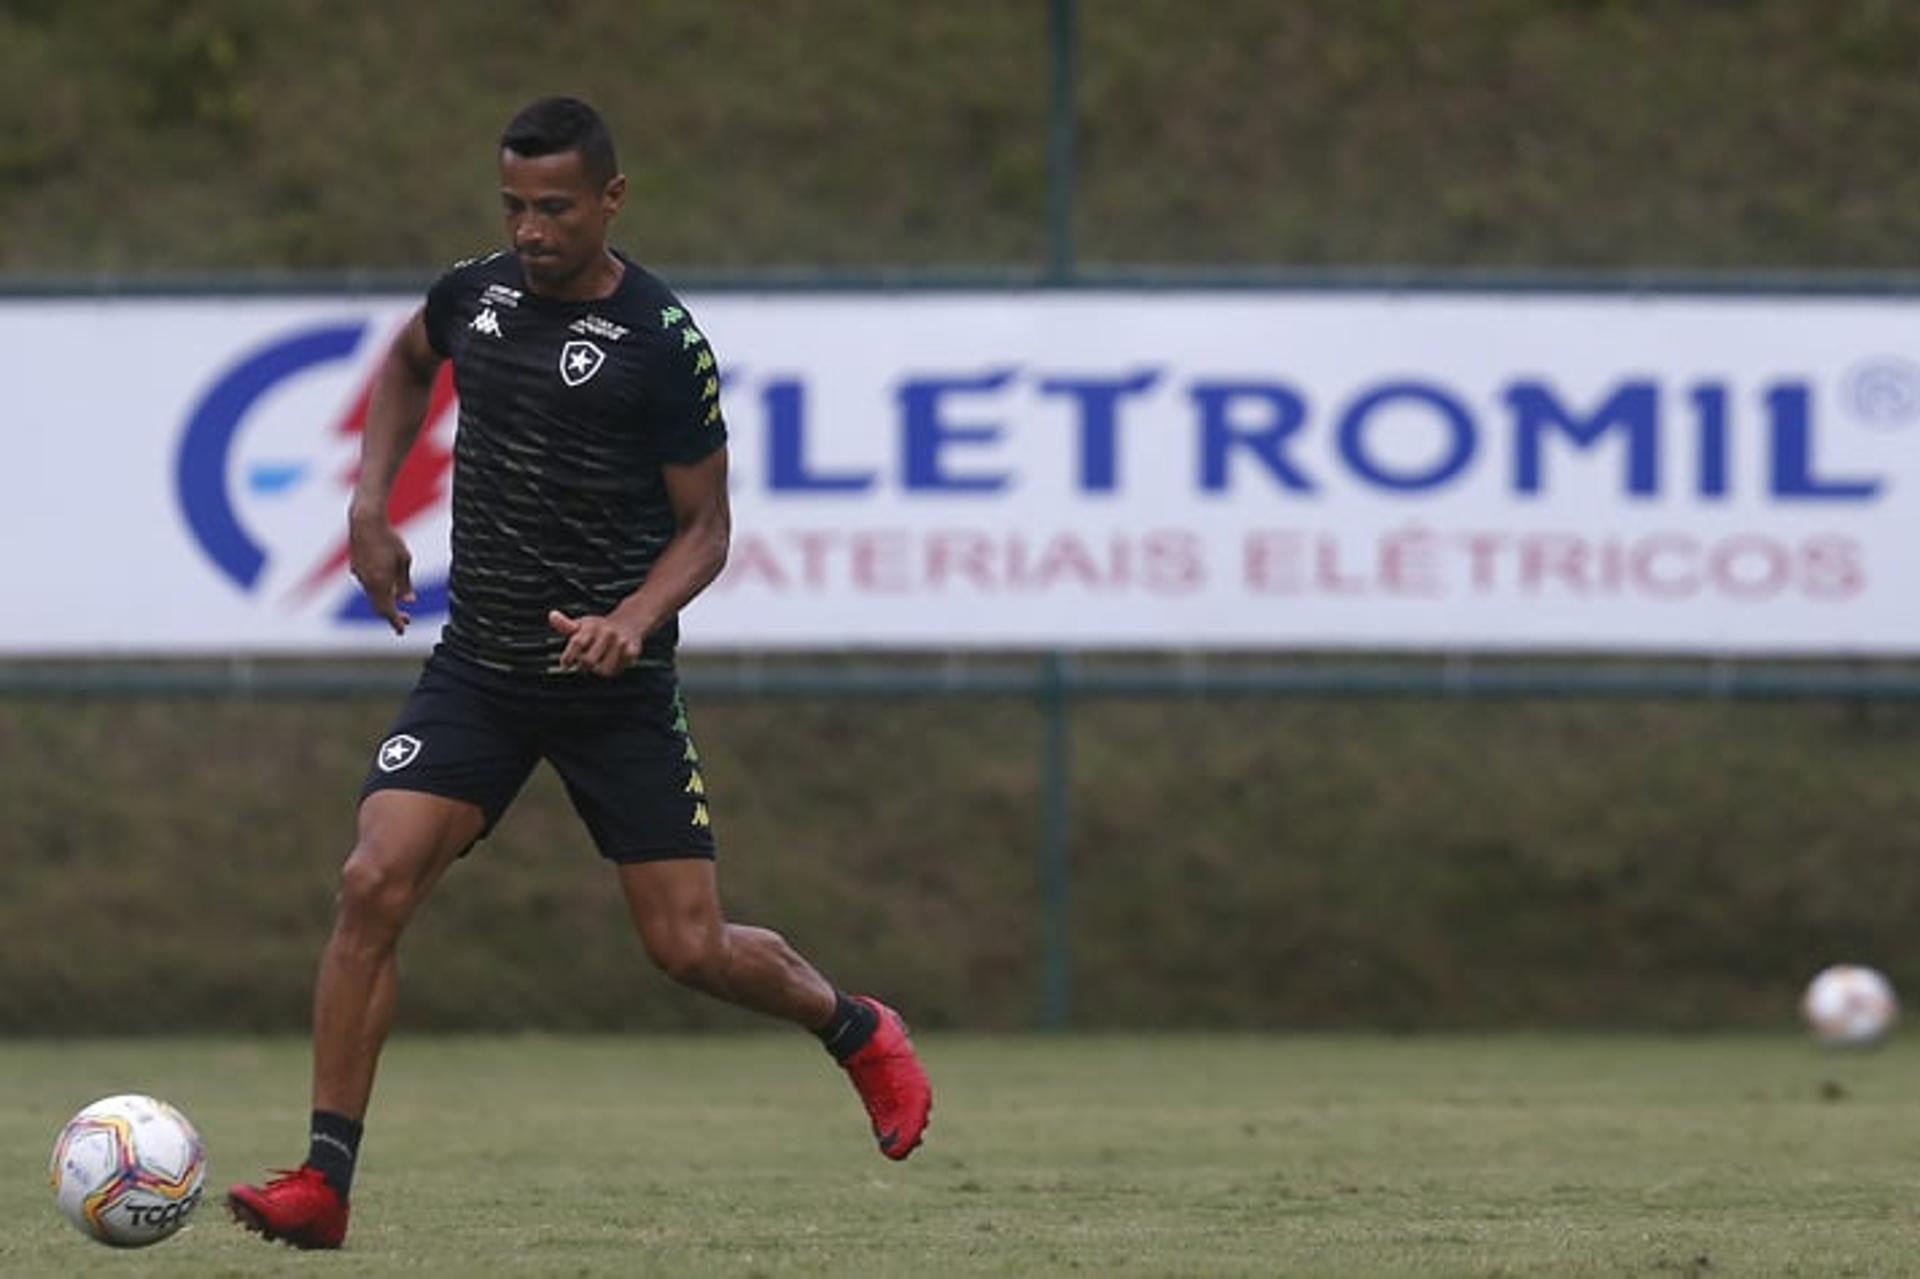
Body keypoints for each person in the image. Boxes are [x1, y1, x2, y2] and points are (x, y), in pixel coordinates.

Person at [226, 95, 932, 1251]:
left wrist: (633, 617)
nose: (531, 229)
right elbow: (406, 366)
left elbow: (706, 528)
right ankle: (324, 1182)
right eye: (513, 205)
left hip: (612, 687)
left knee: (687, 948)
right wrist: (368, 506)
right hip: (482, 673)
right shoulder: (477, 296)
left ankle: (853, 1028)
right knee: (371, 884)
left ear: (611, 199)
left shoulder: (662, 343)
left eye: (555, 207)